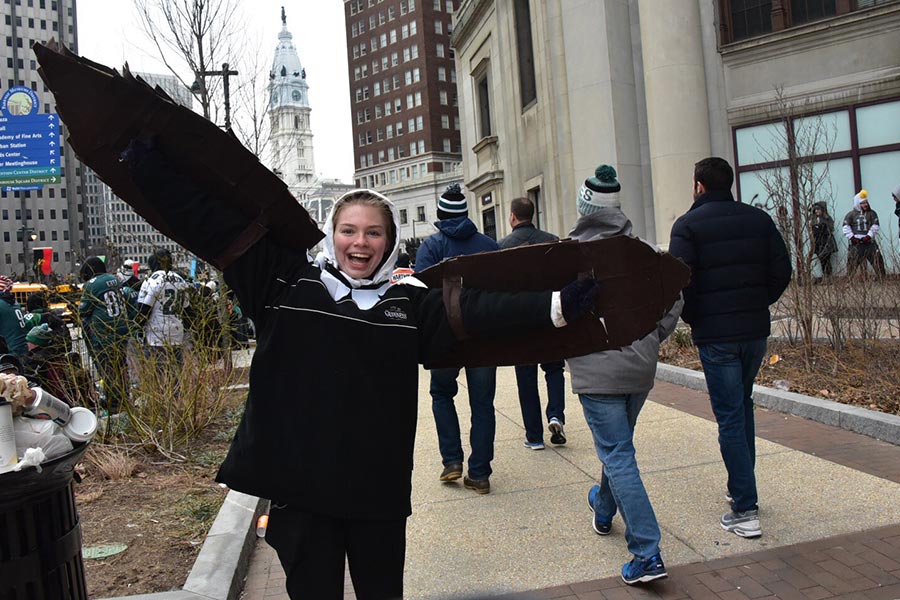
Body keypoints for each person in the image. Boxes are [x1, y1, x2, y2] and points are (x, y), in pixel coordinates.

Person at [121, 140, 601, 599]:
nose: (360, 242)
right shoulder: (285, 283)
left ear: (389, 241)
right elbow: (215, 227)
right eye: (349, 230)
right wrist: (152, 173)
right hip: (301, 490)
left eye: (374, 232)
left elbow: (478, 311)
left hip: (377, 490)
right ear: (332, 234)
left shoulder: (408, 301)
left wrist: (556, 305)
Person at [569, 164, 682, 584]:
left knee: (618, 454)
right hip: (639, 365)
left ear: (585, 208)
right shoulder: (643, 254)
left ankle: (647, 552)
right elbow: (674, 299)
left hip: (596, 369)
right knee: (618, 449)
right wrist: (652, 337)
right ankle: (603, 509)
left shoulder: (570, 256)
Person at [669, 157, 791, 539]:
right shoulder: (759, 220)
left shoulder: (687, 226)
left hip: (716, 334)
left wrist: (694, 316)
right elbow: (781, 271)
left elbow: (678, 279)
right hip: (753, 330)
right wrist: (758, 302)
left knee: (731, 416)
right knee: (742, 406)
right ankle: (744, 488)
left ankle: (745, 507)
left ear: (699, 186)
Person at [415, 183, 501, 494]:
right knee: (483, 405)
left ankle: (451, 461)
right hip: (483, 335)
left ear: (439, 215)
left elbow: (420, 295)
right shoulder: (490, 246)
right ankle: (479, 473)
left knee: (441, 394)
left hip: (443, 337)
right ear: (467, 214)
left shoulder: (430, 248)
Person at [498, 197, 567, 450]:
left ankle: (534, 436)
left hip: (520, 320)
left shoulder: (502, 246)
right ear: (533, 215)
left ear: (513, 216)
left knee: (526, 377)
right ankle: (556, 415)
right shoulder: (551, 240)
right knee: (554, 369)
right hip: (551, 314)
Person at [78, 256, 135, 413]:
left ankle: (115, 403)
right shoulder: (115, 280)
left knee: (107, 369)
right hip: (120, 331)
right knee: (121, 367)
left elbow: (83, 310)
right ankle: (125, 398)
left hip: (104, 334)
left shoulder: (92, 285)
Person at [136, 248, 190, 385]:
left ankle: (162, 404)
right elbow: (187, 309)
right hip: (177, 333)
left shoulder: (152, 281)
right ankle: (177, 403)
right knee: (176, 375)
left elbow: (144, 309)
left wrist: (137, 328)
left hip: (156, 335)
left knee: (157, 376)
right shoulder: (180, 280)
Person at [842, 189, 885, 277]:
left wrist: (868, 236)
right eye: (862, 203)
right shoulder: (851, 215)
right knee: (852, 265)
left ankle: (882, 279)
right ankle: (849, 282)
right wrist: (852, 237)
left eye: (866, 202)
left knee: (877, 261)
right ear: (858, 203)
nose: (865, 204)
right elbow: (846, 226)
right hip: (856, 244)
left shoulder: (872, 214)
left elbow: (875, 225)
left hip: (869, 243)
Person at [811, 202, 836, 278]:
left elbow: (831, 228)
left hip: (827, 241)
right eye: (815, 210)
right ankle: (825, 276)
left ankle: (828, 276)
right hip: (818, 242)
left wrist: (823, 226)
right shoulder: (814, 219)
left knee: (827, 259)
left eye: (818, 209)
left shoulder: (827, 218)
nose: (816, 211)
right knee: (821, 260)